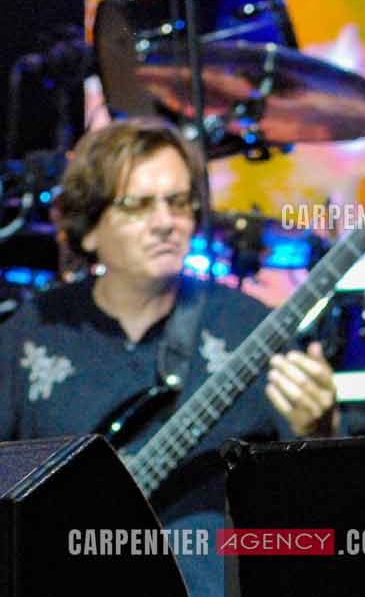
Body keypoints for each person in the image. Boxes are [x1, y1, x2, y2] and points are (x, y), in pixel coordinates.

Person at [0, 117, 337, 597]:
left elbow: (315, 513)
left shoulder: (250, 327)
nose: (166, 222)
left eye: (178, 203)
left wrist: (316, 432)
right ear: (89, 228)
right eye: (138, 205)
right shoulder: (34, 331)